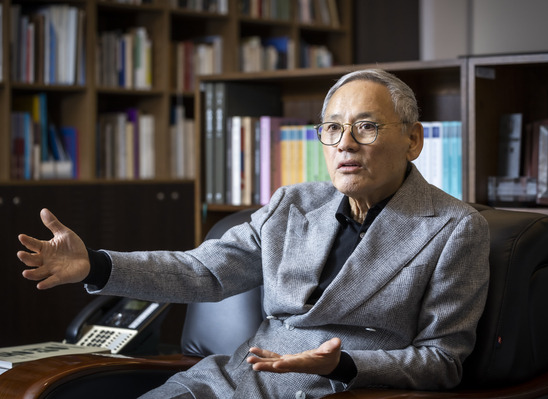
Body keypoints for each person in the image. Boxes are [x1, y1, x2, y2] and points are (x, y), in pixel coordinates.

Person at [17, 69, 490, 399]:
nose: (345, 142)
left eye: (366, 127)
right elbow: (203, 272)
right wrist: (95, 264)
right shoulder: (294, 205)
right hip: (232, 383)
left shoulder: (454, 229)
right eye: (333, 128)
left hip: (347, 391)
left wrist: (344, 365)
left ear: (413, 140)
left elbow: (442, 361)